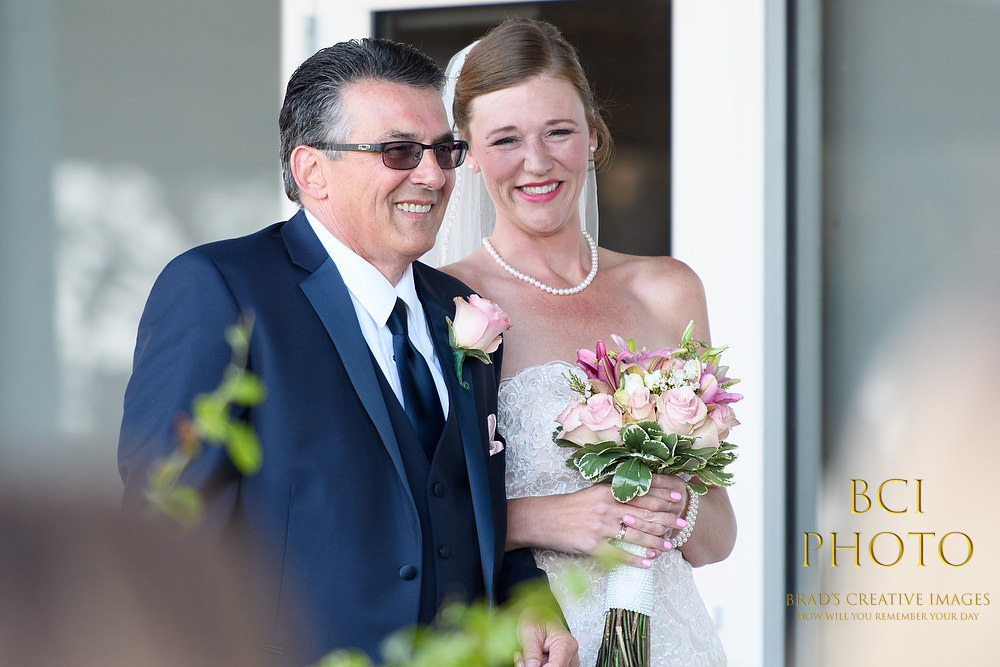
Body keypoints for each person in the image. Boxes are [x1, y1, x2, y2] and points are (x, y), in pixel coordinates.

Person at [118, 37, 577, 667]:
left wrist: (528, 600)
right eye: (399, 151)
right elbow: (167, 536)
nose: (433, 175)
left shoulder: (463, 312)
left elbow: (470, 508)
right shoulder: (221, 290)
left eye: (443, 150)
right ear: (312, 171)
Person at [436, 19, 736, 665]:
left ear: (593, 134)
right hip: (537, 642)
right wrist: (550, 517)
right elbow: (417, 521)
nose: (537, 162)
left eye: (559, 132)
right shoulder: (448, 304)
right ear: (469, 153)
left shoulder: (668, 289)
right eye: (506, 139)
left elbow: (718, 538)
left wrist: (670, 500)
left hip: (673, 640)